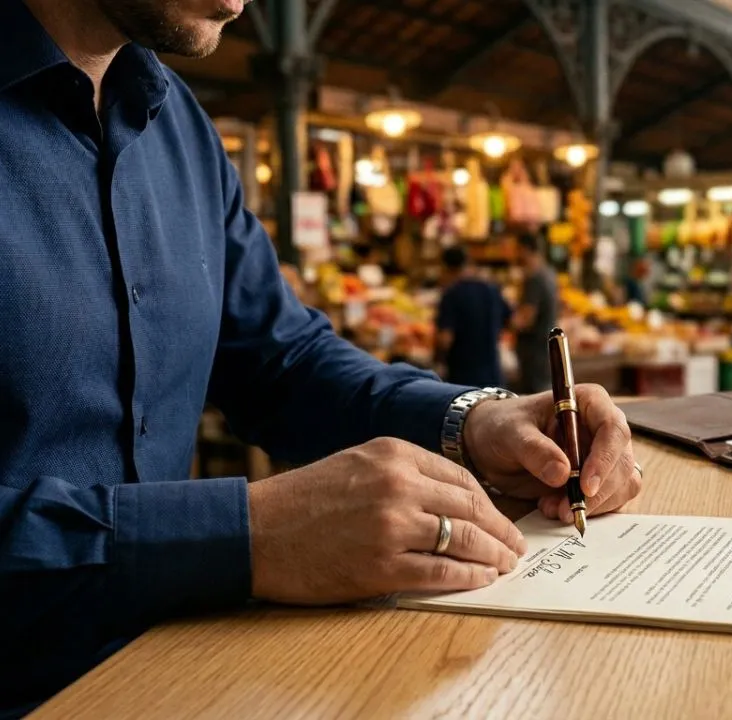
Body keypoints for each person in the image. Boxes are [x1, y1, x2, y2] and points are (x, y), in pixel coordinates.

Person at [0, 1, 642, 716]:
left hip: (168, 680)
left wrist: (474, 422)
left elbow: (283, 361)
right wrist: (248, 535)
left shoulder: (178, 126)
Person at [435, 246, 511, 388]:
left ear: (446, 268)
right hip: (493, 374)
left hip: (463, 379)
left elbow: (445, 339)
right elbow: (510, 320)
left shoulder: (451, 295)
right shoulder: (491, 289)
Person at [510, 232, 560, 394]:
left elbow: (525, 319)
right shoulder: (549, 273)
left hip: (534, 354)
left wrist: (504, 321)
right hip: (545, 350)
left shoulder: (534, 278)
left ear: (524, 249)